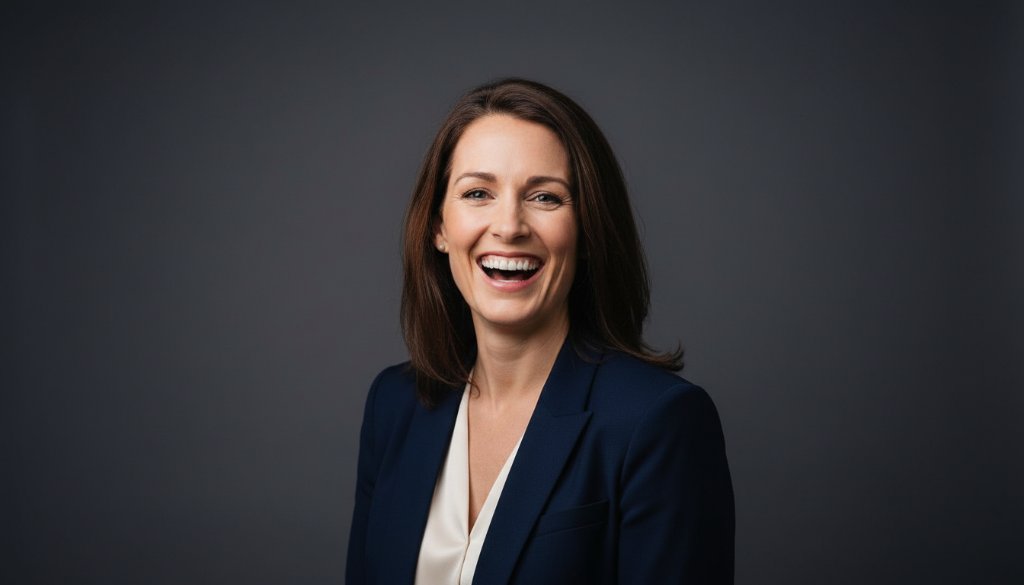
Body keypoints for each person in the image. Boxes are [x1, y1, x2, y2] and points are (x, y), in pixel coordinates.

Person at [346, 78, 734, 584]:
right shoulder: (394, 405)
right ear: (438, 227)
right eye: (478, 192)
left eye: (546, 197)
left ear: (589, 228)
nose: (508, 226)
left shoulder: (658, 423)